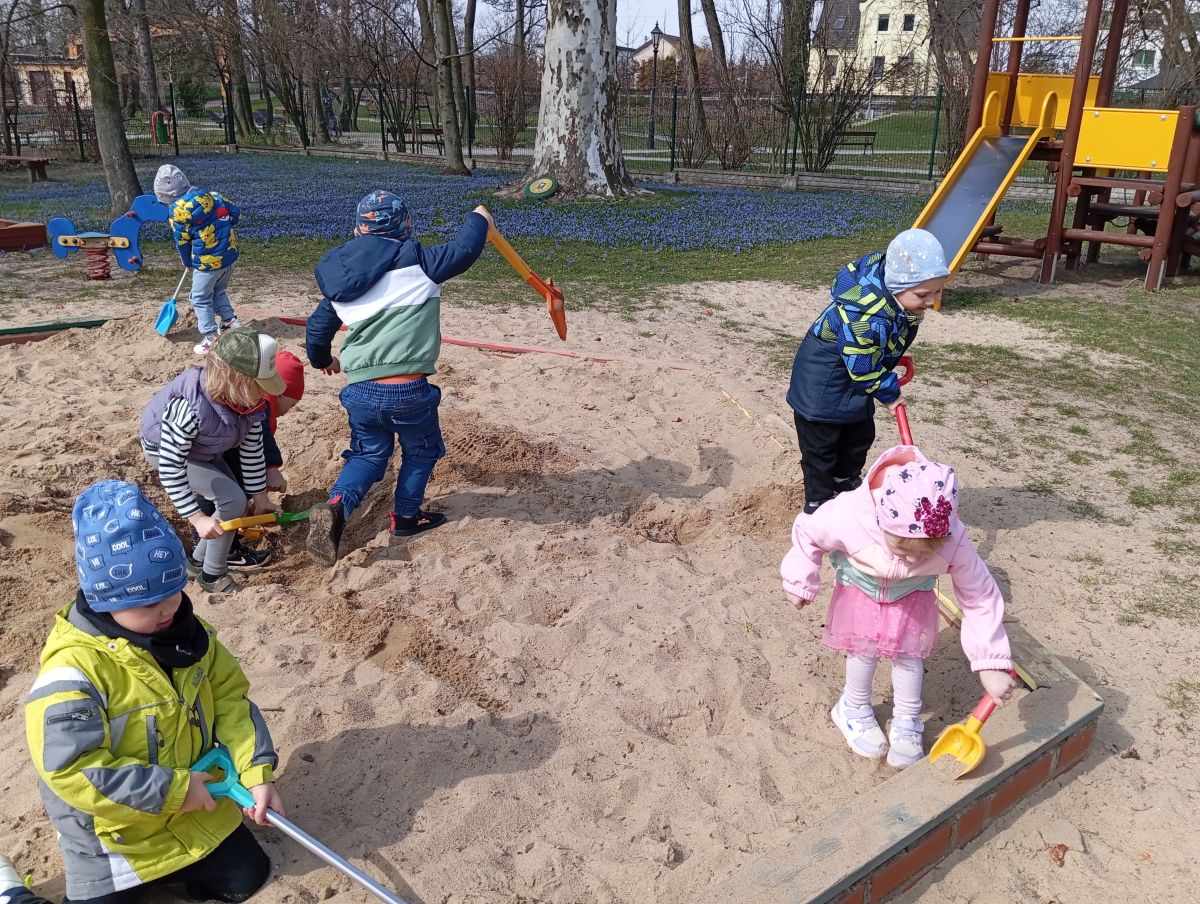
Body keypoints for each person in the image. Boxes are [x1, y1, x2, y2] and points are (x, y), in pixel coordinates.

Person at [23, 480, 283, 904]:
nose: (167, 610)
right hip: (116, 838)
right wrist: (172, 792)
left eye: (173, 592)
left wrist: (256, 774)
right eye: (146, 604)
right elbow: (71, 769)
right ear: (104, 600)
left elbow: (231, 702)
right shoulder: (72, 673)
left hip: (194, 808)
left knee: (247, 877)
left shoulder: (193, 639)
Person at [780, 444, 1018, 768]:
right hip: (862, 591)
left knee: (909, 656)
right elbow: (808, 530)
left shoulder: (954, 539)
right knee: (863, 650)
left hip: (912, 597)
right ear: (881, 520)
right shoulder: (851, 514)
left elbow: (980, 597)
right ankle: (853, 707)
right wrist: (800, 579)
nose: (911, 560)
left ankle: (907, 721)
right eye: (902, 549)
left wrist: (990, 662)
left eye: (924, 554)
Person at [303, 190, 493, 565]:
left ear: (358, 229)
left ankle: (338, 504)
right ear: (405, 226)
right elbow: (466, 249)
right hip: (408, 391)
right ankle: (406, 517)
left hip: (360, 390)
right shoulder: (421, 262)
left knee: (368, 454)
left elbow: (317, 329)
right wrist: (479, 218)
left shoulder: (343, 279)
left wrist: (323, 359)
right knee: (421, 451)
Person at [786, 228, 949, 515]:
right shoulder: (866, 316)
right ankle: (818, 503)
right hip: (822, 385)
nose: (931, 301)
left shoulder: (894, 302)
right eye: (923, 294)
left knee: (860, 435)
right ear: (896, 286)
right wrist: (890, 393)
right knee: (821, 448)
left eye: (938, 291)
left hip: (854, 376)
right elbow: (861, 366)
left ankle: (844, 479)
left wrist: (888, 353)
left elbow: (875, 344)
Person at [140, 327, 284, 594]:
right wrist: (197, 518)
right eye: (259, 387)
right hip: (165, 451)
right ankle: (213, 575)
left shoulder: (247, 404)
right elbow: (171, 467)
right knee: (232, 500)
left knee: (236, 499)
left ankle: (197, 562)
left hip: (202, 450)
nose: (264, 395)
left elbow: (252, 450)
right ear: (236, 380)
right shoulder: (189, 407)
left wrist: (260, 497)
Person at [190, 350, 306, 570]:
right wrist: (272, 468)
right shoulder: (262, 401)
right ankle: (227, 550)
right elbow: (263, 438)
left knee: (221, 495)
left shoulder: (254, 396)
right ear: (280, 394)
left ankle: (206, 545)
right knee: (230, 497)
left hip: (222, 451)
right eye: (291, 405)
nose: (288, 412)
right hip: (230, 454)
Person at [153, 164, 243, 356]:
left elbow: (182, 242)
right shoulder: (215, 196)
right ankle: (230, 322)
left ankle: (210, 337)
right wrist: (224, 225)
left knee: (199, 298)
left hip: (207, 264)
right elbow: (235, 213)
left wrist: (187, 262)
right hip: (229, 256)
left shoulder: (177, 214)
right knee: (217, 290)